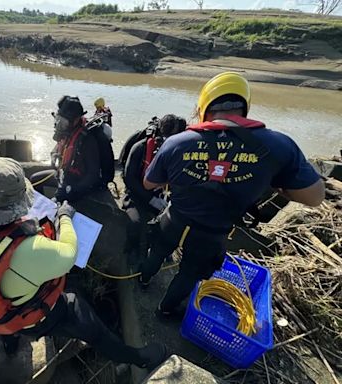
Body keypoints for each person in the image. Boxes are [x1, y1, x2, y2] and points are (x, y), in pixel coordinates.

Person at [0, 157, 168, 370]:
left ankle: (10, 343)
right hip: (31, 317)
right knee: (84, 316)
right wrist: (64, 217)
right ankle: (137, 358)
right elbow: (69, 253)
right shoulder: (28, 252)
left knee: (2, 308)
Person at [139, 72, 325, 318]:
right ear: (245, 107)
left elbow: (149, 182)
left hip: (175, 219)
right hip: (213, 232)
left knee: (158, 251)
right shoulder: (279, 146)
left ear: (204, 107)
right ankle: (165, 310)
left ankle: (143, 280)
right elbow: (315, 197)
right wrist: (277, 185)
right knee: (190, 273)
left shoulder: (178, 143)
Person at [122, 114, 186, 264]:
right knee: (135, 223)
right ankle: (131, 250)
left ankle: (161, 251)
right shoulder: (140, 148)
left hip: (161, 197)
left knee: (171, 226)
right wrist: (150, 199)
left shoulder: (178, 153)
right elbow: (129, 178)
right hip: (136, 195)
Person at [31, 96, 115, 202]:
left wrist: (71, 189)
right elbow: (58, 146)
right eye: (59, 119)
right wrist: (54, 155)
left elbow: (92, 175)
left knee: (58, 199)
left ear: (76, 119)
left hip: (81, 183)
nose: (61, 124)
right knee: (34, 179)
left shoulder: (87, 140)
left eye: (64, 121)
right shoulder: (68, 130)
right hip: (65, 175)